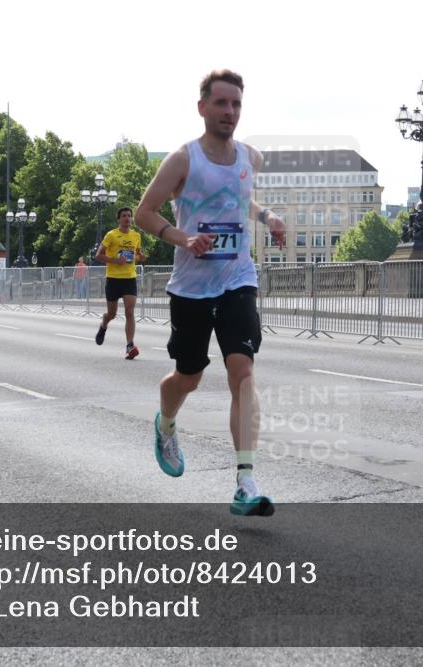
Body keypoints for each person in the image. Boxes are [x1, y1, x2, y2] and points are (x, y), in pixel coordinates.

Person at [135, 69, 286, 516]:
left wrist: (268, 218)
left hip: (238, 278)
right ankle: (166, 423)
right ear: (202, 107)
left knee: (243, 372)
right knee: (190, 375)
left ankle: (245, 481)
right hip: (191, 288)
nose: (229, 112)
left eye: (236, 104)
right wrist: (183, 239)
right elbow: (145, 212)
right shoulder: (183, 160)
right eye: (221, 103)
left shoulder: (250, 157)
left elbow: (240, 199)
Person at [94, 207, 147, 359]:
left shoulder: (136, 235)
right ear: (119, 219)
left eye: (129, 216)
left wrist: (140, 256)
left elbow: (136, 254)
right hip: (113, 278)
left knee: (129, 312)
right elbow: (98, 255)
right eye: (124, 216)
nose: (127, 218)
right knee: (112, 314)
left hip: (129, 278)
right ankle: (104, 325)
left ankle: (130, 345)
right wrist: (115, 260)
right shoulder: (111, 235)